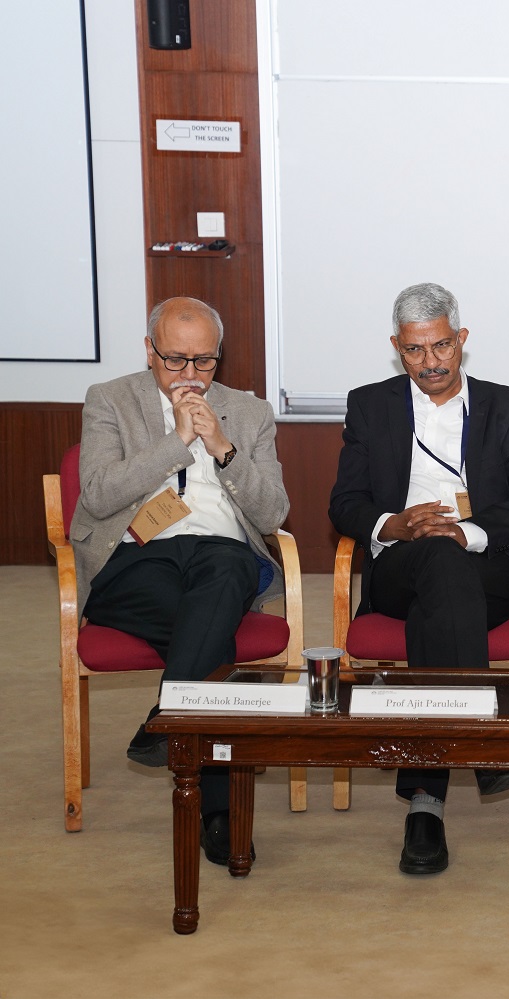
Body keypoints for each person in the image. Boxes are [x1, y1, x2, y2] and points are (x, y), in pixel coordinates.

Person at [329, 282, 509, 875]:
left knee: (449, 563)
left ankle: (425, 799)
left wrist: (470, 530)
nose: (429, 363)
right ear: (396, 349)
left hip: (489, 569)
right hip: (402, 565)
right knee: (435, 560)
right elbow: (344, 503)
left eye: (440, 347)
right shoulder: (370, 405)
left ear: (462, 340)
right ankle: (481, 744)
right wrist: (393, 524)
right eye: (414, 351)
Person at [74, 296, 290, 866]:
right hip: (136, 558)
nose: (190, 376)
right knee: (209, 635)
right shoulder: (109, 401)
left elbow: (271, 514)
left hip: (225, 557)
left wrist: (220, 446)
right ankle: (217, 806)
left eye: (205, 362)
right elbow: (97, 494)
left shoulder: (249, 411)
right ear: (150, 351)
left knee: (219, 573)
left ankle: (171, 721)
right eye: (176, 361)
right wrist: (177, 442)